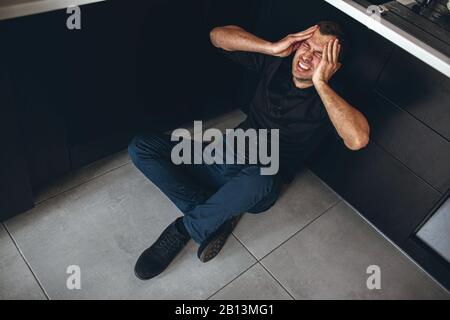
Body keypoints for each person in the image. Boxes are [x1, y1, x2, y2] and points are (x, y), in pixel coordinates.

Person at [128, 21, 370, 280]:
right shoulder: (277, 62)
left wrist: (321, 83)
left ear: (332, 66)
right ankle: (213, 212)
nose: (307, 56)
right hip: (219, 156)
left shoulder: (332, 99)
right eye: (306, 46)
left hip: (256, 182)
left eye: (320, 55)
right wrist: (271, 47)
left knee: (261, 178)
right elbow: (217, 36)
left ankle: (183, 229)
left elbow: (357, 139)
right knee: (141, 147)